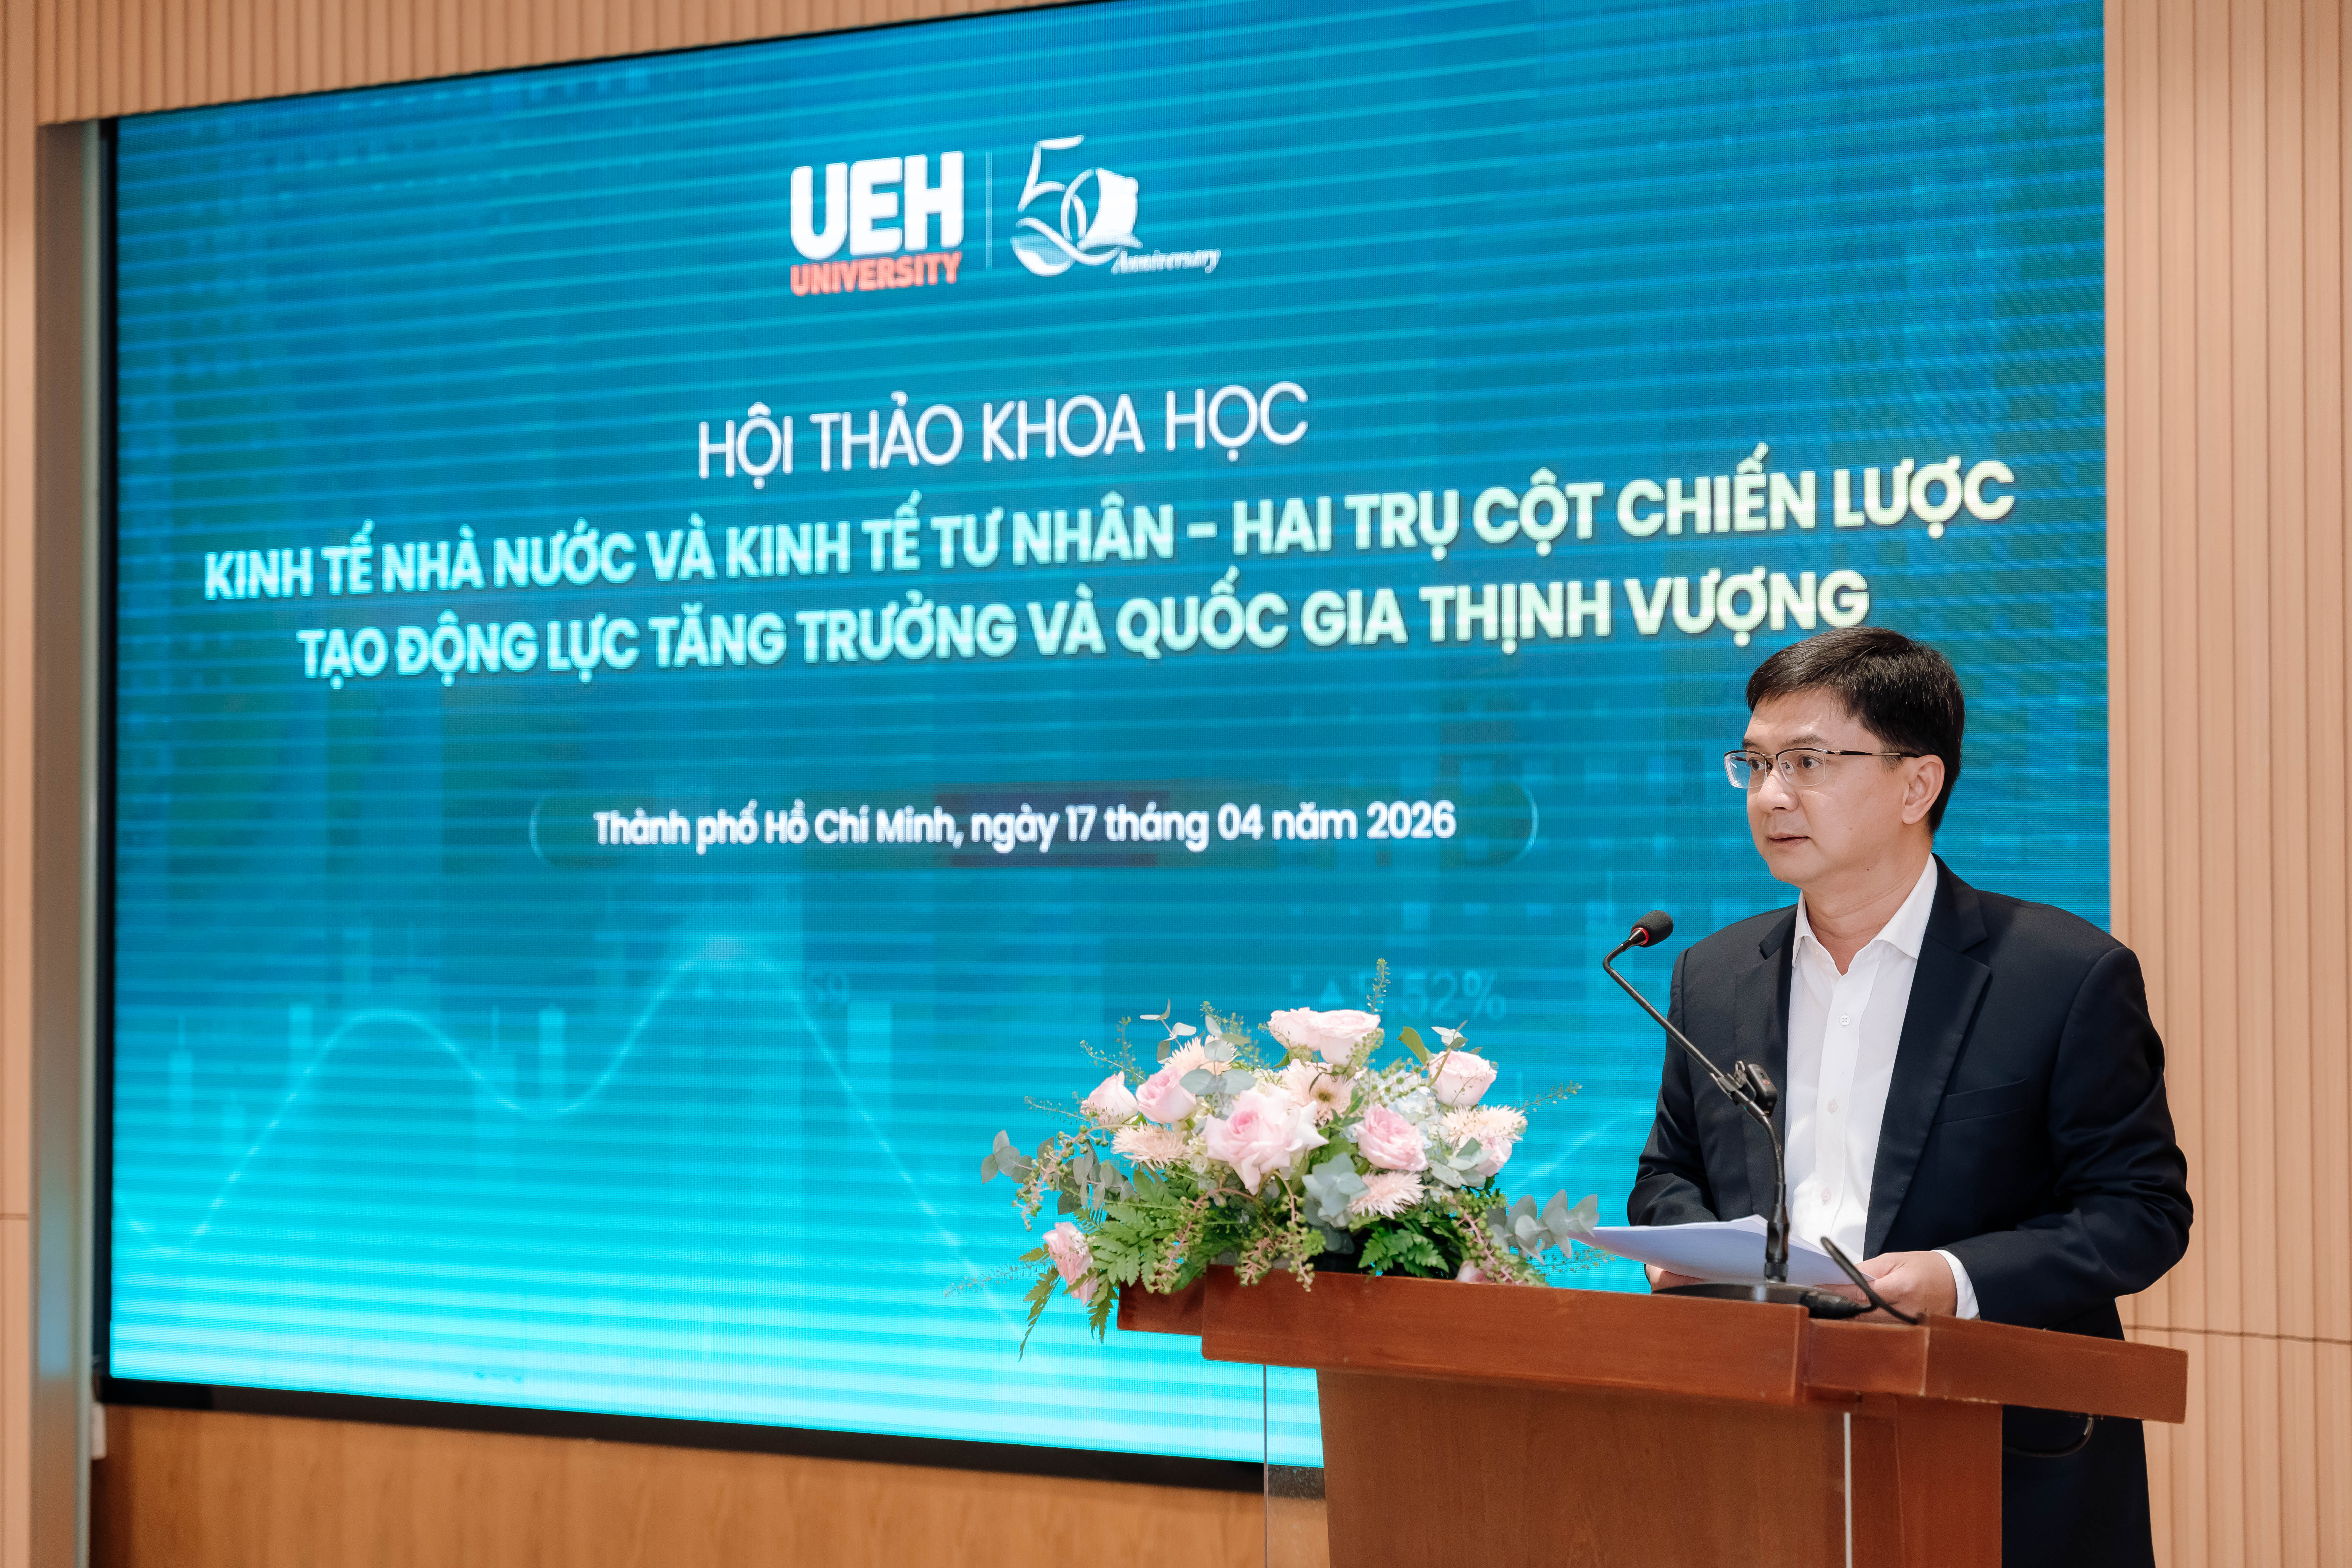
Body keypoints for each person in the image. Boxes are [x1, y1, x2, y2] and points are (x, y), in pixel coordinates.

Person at [1627, 626, 2191, 1568]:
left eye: (1808, 762)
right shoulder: (1712, 975)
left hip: (1992, 1462)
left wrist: (1956, 1279)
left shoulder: (2061, 975)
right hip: (1756, 1448)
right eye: (1756, 764)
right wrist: (1690, 1248)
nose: (1771, 795)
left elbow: (2140, 1213)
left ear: (1916, 785)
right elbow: (1667, 1175)